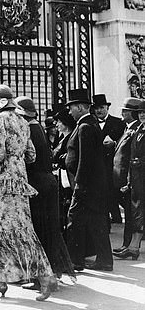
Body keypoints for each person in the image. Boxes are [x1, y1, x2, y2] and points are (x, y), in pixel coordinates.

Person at [0, 85, 55, 302]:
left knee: (4, 230)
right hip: (20, 180)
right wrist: (15, 158)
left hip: (4, 181)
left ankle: (45, 276)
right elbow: (31, 155)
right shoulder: (22, 120)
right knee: (13, 228)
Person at [15, 96, 75, 289]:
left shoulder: (29, 129)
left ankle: (41, 277)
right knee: (49, 230)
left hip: (37, 184)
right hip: (46, 182)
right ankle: (50, 274)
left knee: (39, 231)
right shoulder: (38, 128)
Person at [65, 89, 113, 271]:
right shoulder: (90, 124)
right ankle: (104, 260)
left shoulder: (85, 126)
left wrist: (80, 185)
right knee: (97, 221)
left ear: (79, 107)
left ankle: (76, 260)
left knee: (74, 220)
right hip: (95, 185)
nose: (70, 112)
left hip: (86, 185)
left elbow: (85, 160)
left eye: (71, 108)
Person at [115, 100, 145, 260]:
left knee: (139, 211)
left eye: (144, 113)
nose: (142, 116)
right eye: (140, 113)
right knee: (136, 211)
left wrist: (138, 162)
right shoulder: (139, 130)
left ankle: (133, 247)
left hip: (142, 176)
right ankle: (133, 247)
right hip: (136, 177)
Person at [92, 94, 126, 224]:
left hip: (113, 164)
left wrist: (115, 143)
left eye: (101, 107)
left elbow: (124, 143)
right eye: (96, 108)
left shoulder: (118, 123)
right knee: (102, 192)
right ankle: (106, 220)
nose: (99, 111)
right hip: (98, 165)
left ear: (107, 107)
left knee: (114, 192)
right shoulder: (91, 123)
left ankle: (117, 216)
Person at [52, 108, 77, 234]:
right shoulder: (63, 137)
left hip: (68, 179)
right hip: (62, 178)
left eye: (59, 122)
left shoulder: (69, 138)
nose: (56, 125)